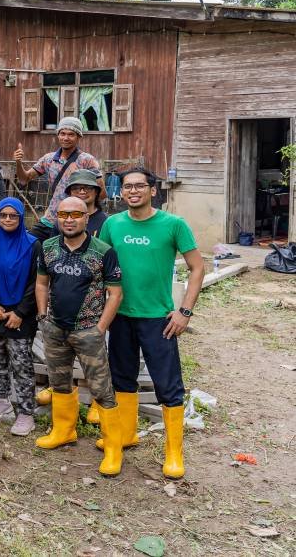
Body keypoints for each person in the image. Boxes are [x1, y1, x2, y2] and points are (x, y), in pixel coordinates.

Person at [99, 169, 204, 480]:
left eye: (139, 186)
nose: (133, 191)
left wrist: (185, 311)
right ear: (121, 192)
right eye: (127, 186)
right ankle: (126, 434)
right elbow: (99, 265)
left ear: (153, 190)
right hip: (120, 316)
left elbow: (197, 268)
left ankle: (174, 453)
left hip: (158, 318)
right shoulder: (112, 224)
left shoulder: (173, 224)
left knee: (168, 384)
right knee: (122, 378)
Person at [35, 196, 124, 476]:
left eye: (76, 214)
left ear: (86, 218)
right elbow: (41, 283)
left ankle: (113, 448)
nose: (69, 220)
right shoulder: (48, 247)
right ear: (57, 218)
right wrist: (42, 317)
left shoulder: (103, 251)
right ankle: (64, 431)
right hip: (55, 329)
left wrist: (100, 328)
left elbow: (115, 293)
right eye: (64, 214)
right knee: (59, 382)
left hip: (88, 331)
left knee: (101, 389)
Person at [0, 198, 39, 437]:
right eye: (3, 215)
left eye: (13, 215)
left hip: (21, 313)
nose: (7, 219)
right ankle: (2, 399)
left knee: (21, 362)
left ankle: (26, 412)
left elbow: (37, 283)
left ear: (21, 217)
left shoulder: (33, 245)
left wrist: (20, 312)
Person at [12, 117, 105, 241]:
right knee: (26, 244)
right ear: (58, 135)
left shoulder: (86, 160)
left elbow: (102, 193)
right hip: (49, 220)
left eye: (71, 134)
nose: (66, 138)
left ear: (79, 137)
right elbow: (24, 179)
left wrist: (81, 205)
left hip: (71, 222)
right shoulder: (48, 159)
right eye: (63, 134)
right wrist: (18, 162)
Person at [65, 169, 108, 237]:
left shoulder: (106, 222)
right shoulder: (63, 220)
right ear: (70, 192)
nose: (82, 192)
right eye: (76, 188)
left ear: (96, 192)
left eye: (88, 188)